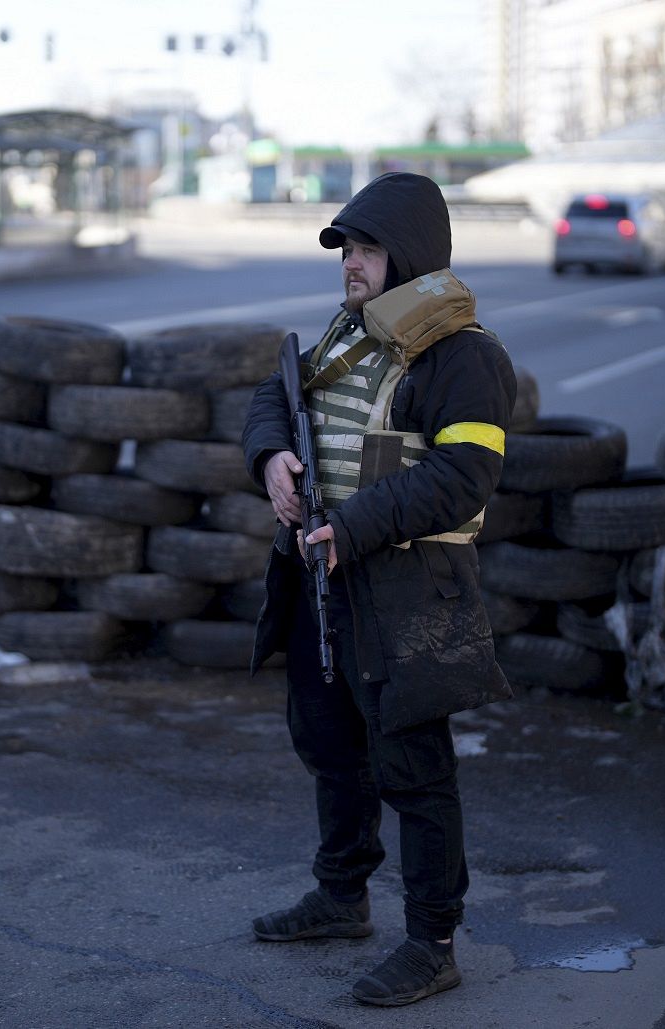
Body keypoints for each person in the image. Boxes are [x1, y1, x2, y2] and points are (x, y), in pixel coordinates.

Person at [240, 172, 516, 1008]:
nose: (350, 266)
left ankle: (432, 942)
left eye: (365, 249)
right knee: (329, 743)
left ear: (410, 256)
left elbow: (463, 475)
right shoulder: (345, 332)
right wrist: (270, 457)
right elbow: (272, 397)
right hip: (321, 576)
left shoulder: (464, 355)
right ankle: (340, 895)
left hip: (404, 589)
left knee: (412, 770)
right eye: (346, 250)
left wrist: (353, 527)